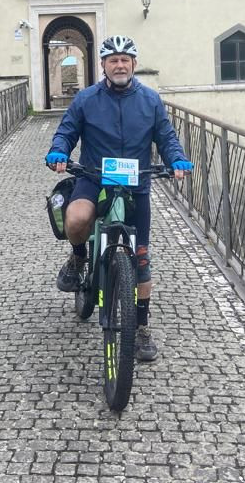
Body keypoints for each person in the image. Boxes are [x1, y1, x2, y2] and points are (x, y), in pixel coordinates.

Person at [44, 35, 193, 362]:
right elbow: (67, 131)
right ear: (103, 65)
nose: (120, 65)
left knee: (142, 259)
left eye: (125, 60)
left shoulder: (151, 100)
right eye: (113, 60)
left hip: (136, 183)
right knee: (76, 219)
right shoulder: (85, 99)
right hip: (94, 178)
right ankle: (78, 257)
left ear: (134, 64)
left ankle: (141, 327)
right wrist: (59, 151)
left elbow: (166, 137)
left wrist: (177, 159)